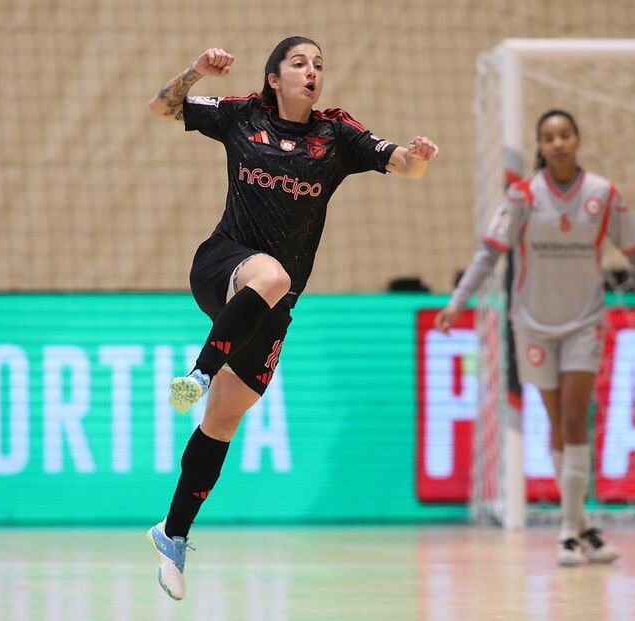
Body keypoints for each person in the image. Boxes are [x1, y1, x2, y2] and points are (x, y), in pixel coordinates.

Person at [145, 37, 439, 600]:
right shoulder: (242, 116)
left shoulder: (336, 135)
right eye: (299, 63)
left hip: (272, 307)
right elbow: (162, 107)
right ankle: (199, 372)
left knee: (224, 420)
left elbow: (406, 165)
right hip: (223, 263)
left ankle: (172, 534)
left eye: (319, 65)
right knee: (272, 276)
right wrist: (195, 71)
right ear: (274, 78)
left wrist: (419, 156)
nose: (312, 72)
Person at [436, 109, 635, 567]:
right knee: (556, 422)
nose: (558, 143)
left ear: (577, 139)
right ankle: (582, 526)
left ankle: (567, 531)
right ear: (541, 145)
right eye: (549, 137)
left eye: (565, 134)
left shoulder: (603, 194)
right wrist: (457, 301)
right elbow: (488, 253)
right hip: (532, 324)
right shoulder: (523, 195)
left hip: (583, 323)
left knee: (573, 418)